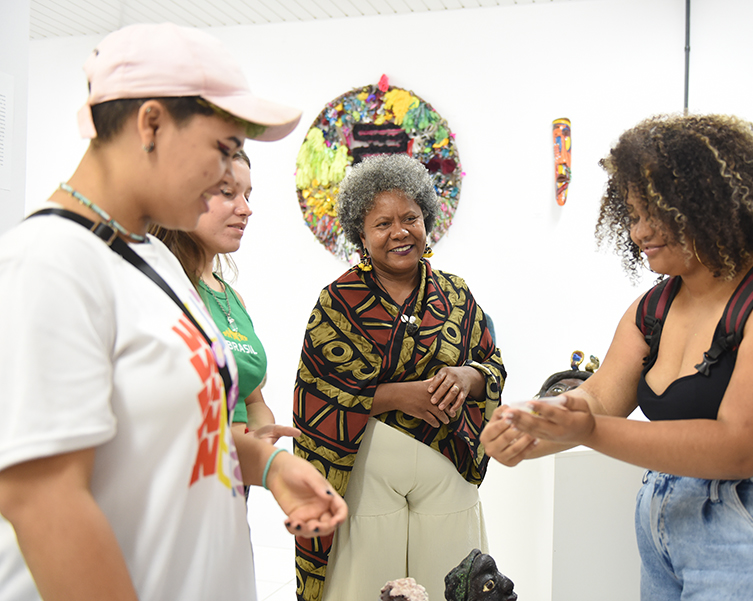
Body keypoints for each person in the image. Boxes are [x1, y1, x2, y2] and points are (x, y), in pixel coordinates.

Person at [0, 23, 346, 601]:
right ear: (151, 124)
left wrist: (266, 465)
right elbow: (42, 500)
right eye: (223, 149)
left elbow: (167, 435)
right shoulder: (48, 263)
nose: (227, 177)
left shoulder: (153, 255)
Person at [483, 114, 753, 600]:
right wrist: (534, 427)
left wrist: (588, 430)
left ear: (708, 203)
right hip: (668, 535)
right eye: (632, 214)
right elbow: (600, 399)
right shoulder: (655, 308)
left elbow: (741, 445)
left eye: (654, 213)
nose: (639, 231)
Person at [293, 153, 506, 601]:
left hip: (448, 467)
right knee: (366, 586)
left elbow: (492, 365)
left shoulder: (456, 293)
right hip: (367, 473)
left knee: (457, 583)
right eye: (382, 223)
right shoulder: (337, 301)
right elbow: (316, 393)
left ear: (427, 220)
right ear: (361, 235)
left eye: (410, 218)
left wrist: (468, 377)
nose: (399, 232)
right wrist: (395, 396)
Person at [154, 149, 293, 450]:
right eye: (229, 193)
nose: (246, 209)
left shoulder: (233, 298)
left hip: (234, 483)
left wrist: (261, 437)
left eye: (248, 196)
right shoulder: (162, 290)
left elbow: (253, 400)